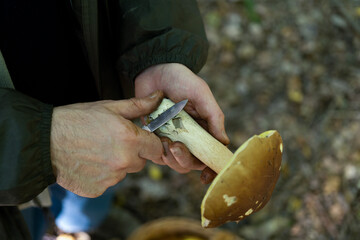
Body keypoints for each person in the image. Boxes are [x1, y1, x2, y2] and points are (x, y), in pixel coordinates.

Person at [0, 0, 229, 239]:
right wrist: (38, 146)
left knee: (89, 208)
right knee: (25, 226)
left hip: (104, 115)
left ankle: (74, 229)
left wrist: (157, 48)